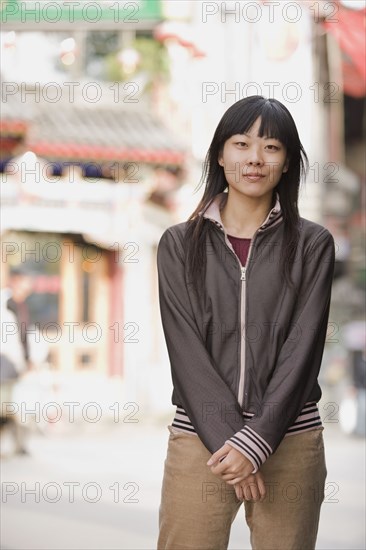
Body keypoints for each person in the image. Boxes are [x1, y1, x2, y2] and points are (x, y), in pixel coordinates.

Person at [156, 96, 335, 550]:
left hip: (290, 440)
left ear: (289, 162)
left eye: (271, 147)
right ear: (220, 153)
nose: (255, 158)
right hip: (201, 441)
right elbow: (186, 351)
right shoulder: (179, 244)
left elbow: (303, 349)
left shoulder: (313, 244)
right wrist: (232, 444)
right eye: (241, 143)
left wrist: (256, 441)